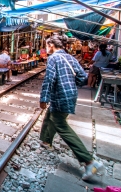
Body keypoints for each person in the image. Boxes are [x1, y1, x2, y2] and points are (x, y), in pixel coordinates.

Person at [39, 34, 104, 181]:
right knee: (51, 115)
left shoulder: (53, 58)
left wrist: (43, 98)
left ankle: (89, 162)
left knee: (61, 125)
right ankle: (46, 141)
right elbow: (83, 77)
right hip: (71, 94)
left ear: (51, 45)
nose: (45, 48)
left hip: (60, 95)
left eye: (46, 45)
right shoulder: (70, 58)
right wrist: (69, 83)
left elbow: (49, 79)